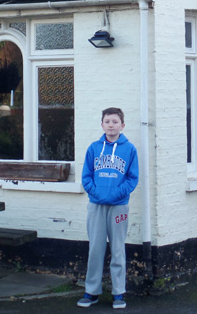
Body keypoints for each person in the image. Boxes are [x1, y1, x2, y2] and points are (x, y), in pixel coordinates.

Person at [77, 107, 139, 309]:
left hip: (119, 206)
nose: (111, 125)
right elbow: (86, 176)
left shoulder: (129, 150)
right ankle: (92, 291)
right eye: (107, 121)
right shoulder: (94, 148)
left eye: (115, 122)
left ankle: (118, 292)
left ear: (122, 125)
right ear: (102, 125)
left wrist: (116, 194)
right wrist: (96, 193)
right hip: (96, 206)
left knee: (118, 249)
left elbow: (132, 178)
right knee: (95, 248)